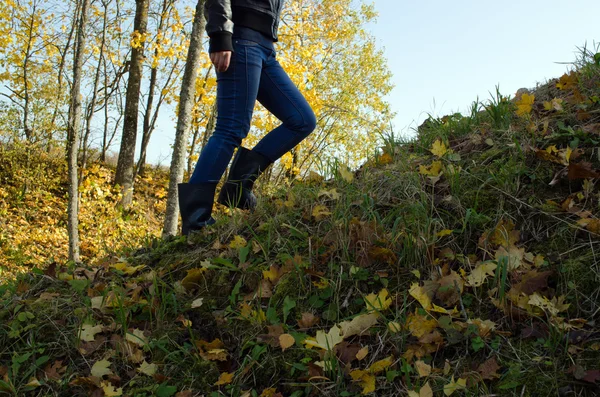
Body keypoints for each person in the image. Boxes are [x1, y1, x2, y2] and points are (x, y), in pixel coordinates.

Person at [178, 0, 317, 236]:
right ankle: (196, 221)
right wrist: (221, 34)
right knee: (231, 128)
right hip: (240, 38)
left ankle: (238, 187)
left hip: (266, 48)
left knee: (302, 120)